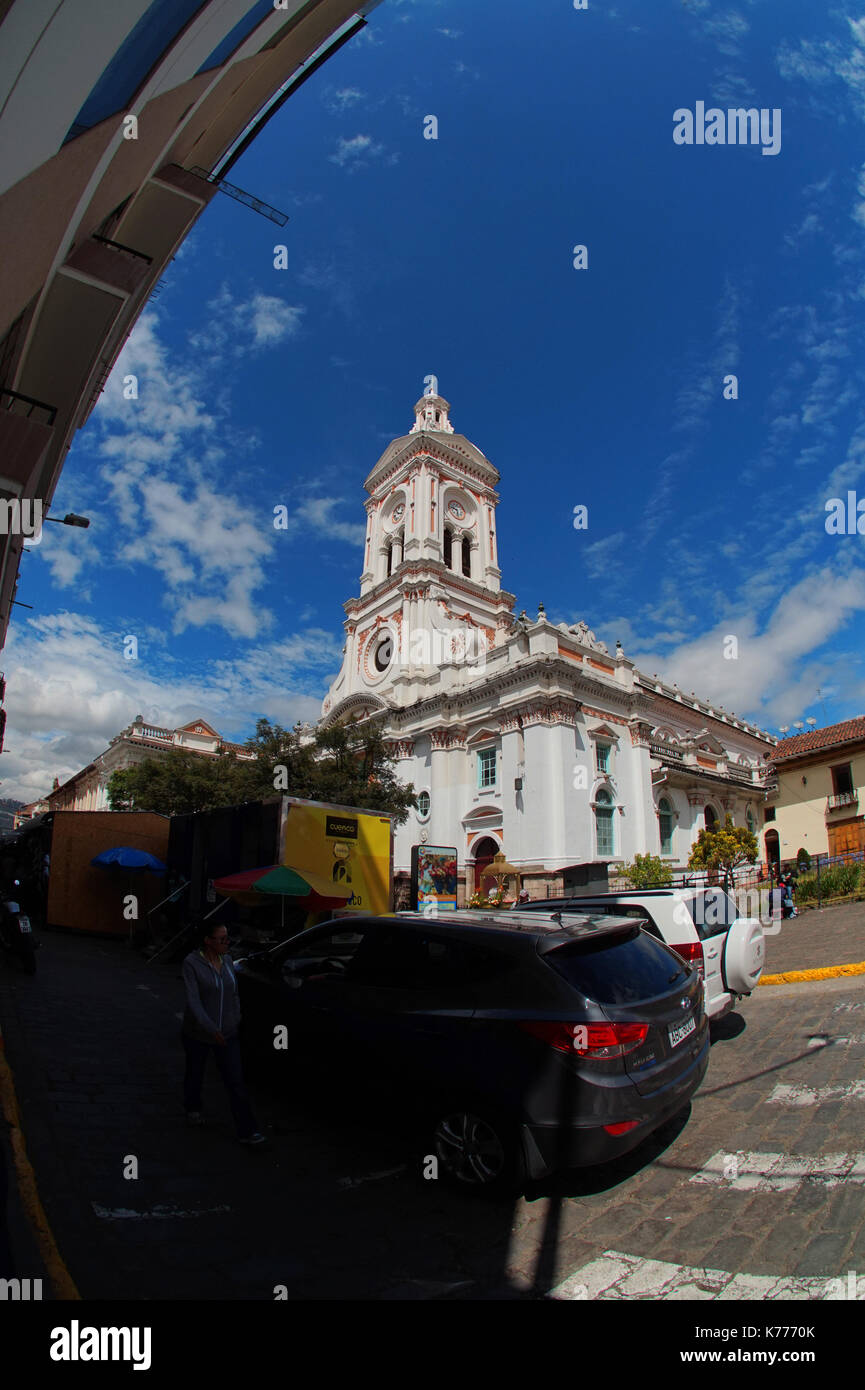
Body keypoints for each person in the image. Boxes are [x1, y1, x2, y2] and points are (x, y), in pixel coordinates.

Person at [180, 923, 265, 1144]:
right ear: (208, 941)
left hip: (227, 1033)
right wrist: (210, 1027)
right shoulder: (191, 963)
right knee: (195, 1074)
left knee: (236, 1081)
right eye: (222, 939)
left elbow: (234, 993)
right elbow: (193, 1001)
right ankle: (192, 1107)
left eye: (227, 938)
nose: (227, 943)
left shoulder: (227, 962)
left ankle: (247, 1130)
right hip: (198, 1033)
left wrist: (234, 1019)